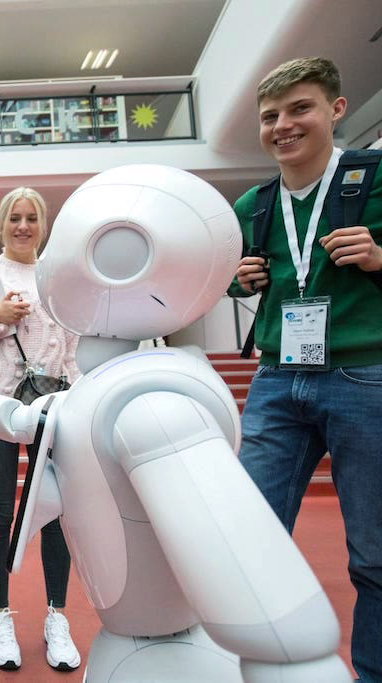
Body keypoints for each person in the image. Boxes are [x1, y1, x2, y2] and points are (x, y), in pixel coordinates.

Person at [228, 56, 382, 683]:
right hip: (274, 379)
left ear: (336, 109)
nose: (283, 126)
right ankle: (263, 668)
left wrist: (378, 257)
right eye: (271, 117)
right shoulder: (253, 204)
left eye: (300, 108)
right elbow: (249, 277)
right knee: (248, 542)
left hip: (364, 378)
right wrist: (241, 280)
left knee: (374, 553)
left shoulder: (374, 179)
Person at [0, 187, 82, 672]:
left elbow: (72, 346)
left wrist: (78, 394)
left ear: (43, 224)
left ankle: (57, 615)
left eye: (32, 217)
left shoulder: (59, 278)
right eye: (15, 217)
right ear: (1, 224)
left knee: (54, 509)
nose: (24, 226)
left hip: (54, 405)